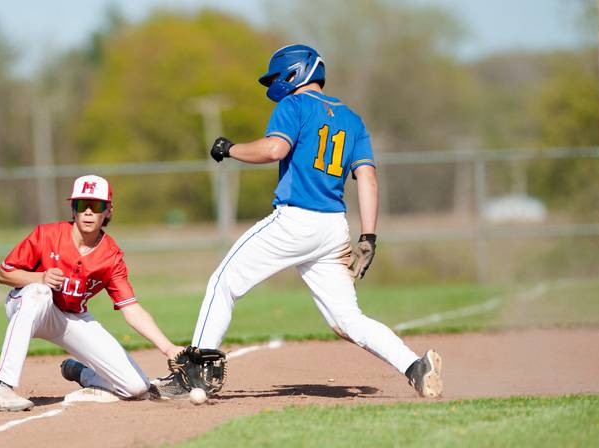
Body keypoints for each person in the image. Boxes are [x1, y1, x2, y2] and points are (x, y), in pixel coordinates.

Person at [163, 44, 443, 399]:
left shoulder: (293, 105)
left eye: (279, 76)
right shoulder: (352, 119)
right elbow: (368, 180)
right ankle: (415, 367)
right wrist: (369, 236)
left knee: (223, 283)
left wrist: (229, 148)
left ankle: (195, 372)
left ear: (297, 72)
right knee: (347, 320)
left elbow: (273, 149)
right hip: (333, 229)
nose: (276, 83)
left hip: (295, 220)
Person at [0, 174, 183, 411]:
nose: (88, 212)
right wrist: (40, 277)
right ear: (73, 209)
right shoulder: (47, 235)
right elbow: (4, 273)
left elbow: (131, 308)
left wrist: (169, 348)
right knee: (39, 293)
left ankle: (81, 373)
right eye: (81, 205)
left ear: (108, 211)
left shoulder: (111, 255)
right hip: (29, 305)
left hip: (71, 318)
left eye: (95, 206)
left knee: (136, 388)